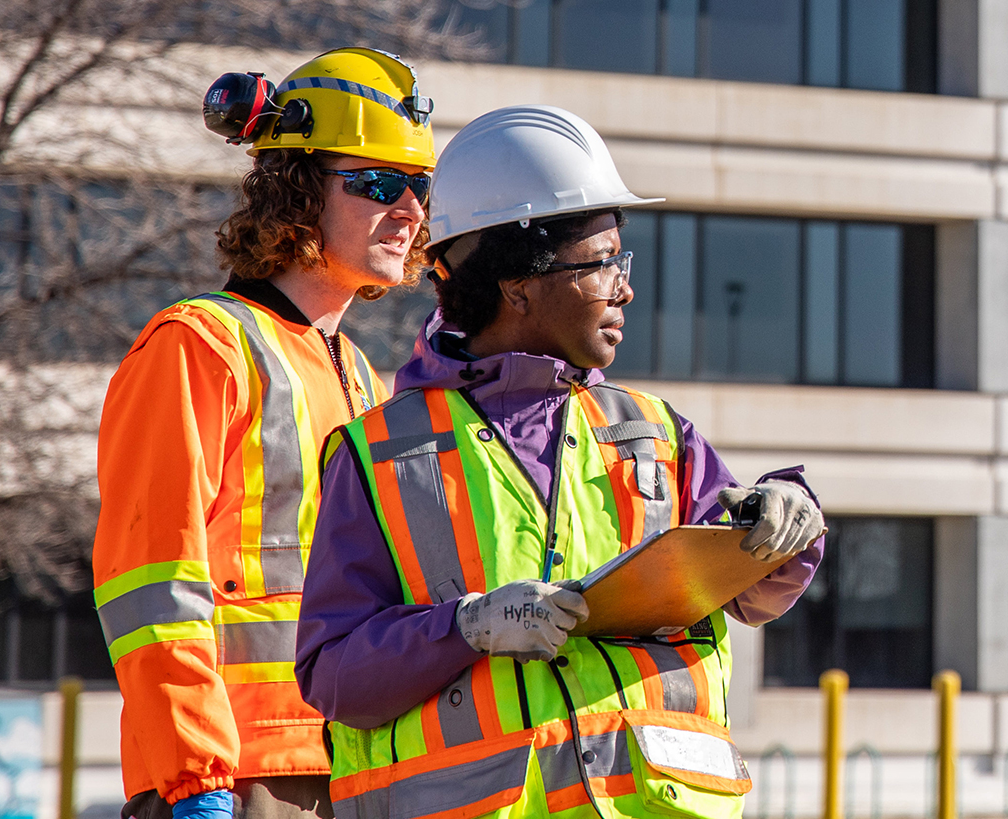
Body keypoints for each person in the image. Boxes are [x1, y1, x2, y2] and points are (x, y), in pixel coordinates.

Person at [295, 104, 825, 819]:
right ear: (517, 285)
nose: (625, 287)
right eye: (604, 261)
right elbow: (336, 676)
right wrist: (466, 627)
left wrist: (791, 522)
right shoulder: (379, 455)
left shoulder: (656, 433)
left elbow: (755, 591)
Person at [92, 48, 436, 819]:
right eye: (379, 183)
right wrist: (194, 779)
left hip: (353, 765)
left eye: (418, 186)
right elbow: (150, 584)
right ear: (299, 191)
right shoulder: (198, 345)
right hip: (233, 778)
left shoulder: (362, 378)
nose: (410, 210)